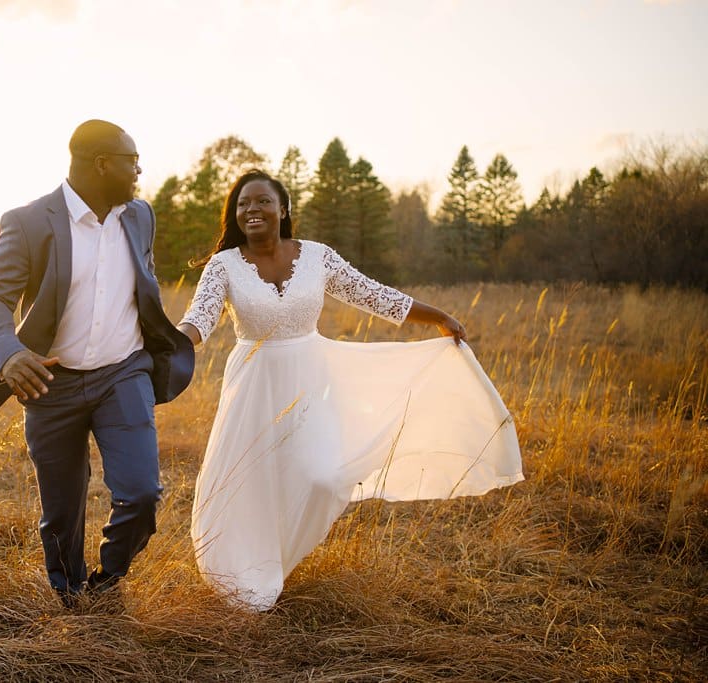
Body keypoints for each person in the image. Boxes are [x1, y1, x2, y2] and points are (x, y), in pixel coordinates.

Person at [177, 170, 523, 611]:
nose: (252, 210)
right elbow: (199, 320)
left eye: (262, 201)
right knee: (251, 480)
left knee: (323, 479)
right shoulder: (223, 266)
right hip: (253, 385)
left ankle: (277, 561)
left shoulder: (317, 257)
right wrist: (169, 341)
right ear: (235, 214)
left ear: (283, 209)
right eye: (243, 204)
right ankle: (246, 574)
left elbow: (372, 294)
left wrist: (438, 316)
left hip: (310, 379)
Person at [0, 119, 195, 608]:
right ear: (102, 164)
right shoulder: (29, 221)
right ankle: (70, 593)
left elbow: (143, 281)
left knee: (142, 492)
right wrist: (10, 353)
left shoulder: (139, 215)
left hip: (123, 373)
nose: (140, 171)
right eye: (132, 161)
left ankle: (109, 579)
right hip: (50, 384)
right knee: (62, 510)